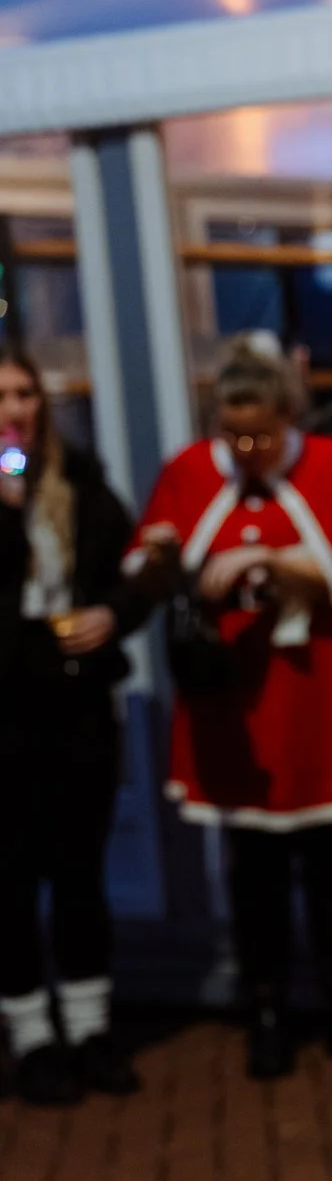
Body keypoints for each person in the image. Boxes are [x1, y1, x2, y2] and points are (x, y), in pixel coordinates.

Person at [130, 341, 332, 1079]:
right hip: (238, 698)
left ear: (289, 416)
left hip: (319, 690)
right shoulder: (192, 470)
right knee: (253, 870)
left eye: (260, 435)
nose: (247, 450)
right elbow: (154, 570)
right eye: (233, 435)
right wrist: (167, 557)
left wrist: (279, 563)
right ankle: (265, 1012)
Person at [0, 349, 156, 1104]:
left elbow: (136, 574)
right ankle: (32, 1036)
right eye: (3, 394)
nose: (17, 406)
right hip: (7, 716)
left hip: (77, 710)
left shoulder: (83, 483)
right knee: (12, 879)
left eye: (26, 392)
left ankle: (92, 1026)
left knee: (78, 873)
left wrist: (114, 614)